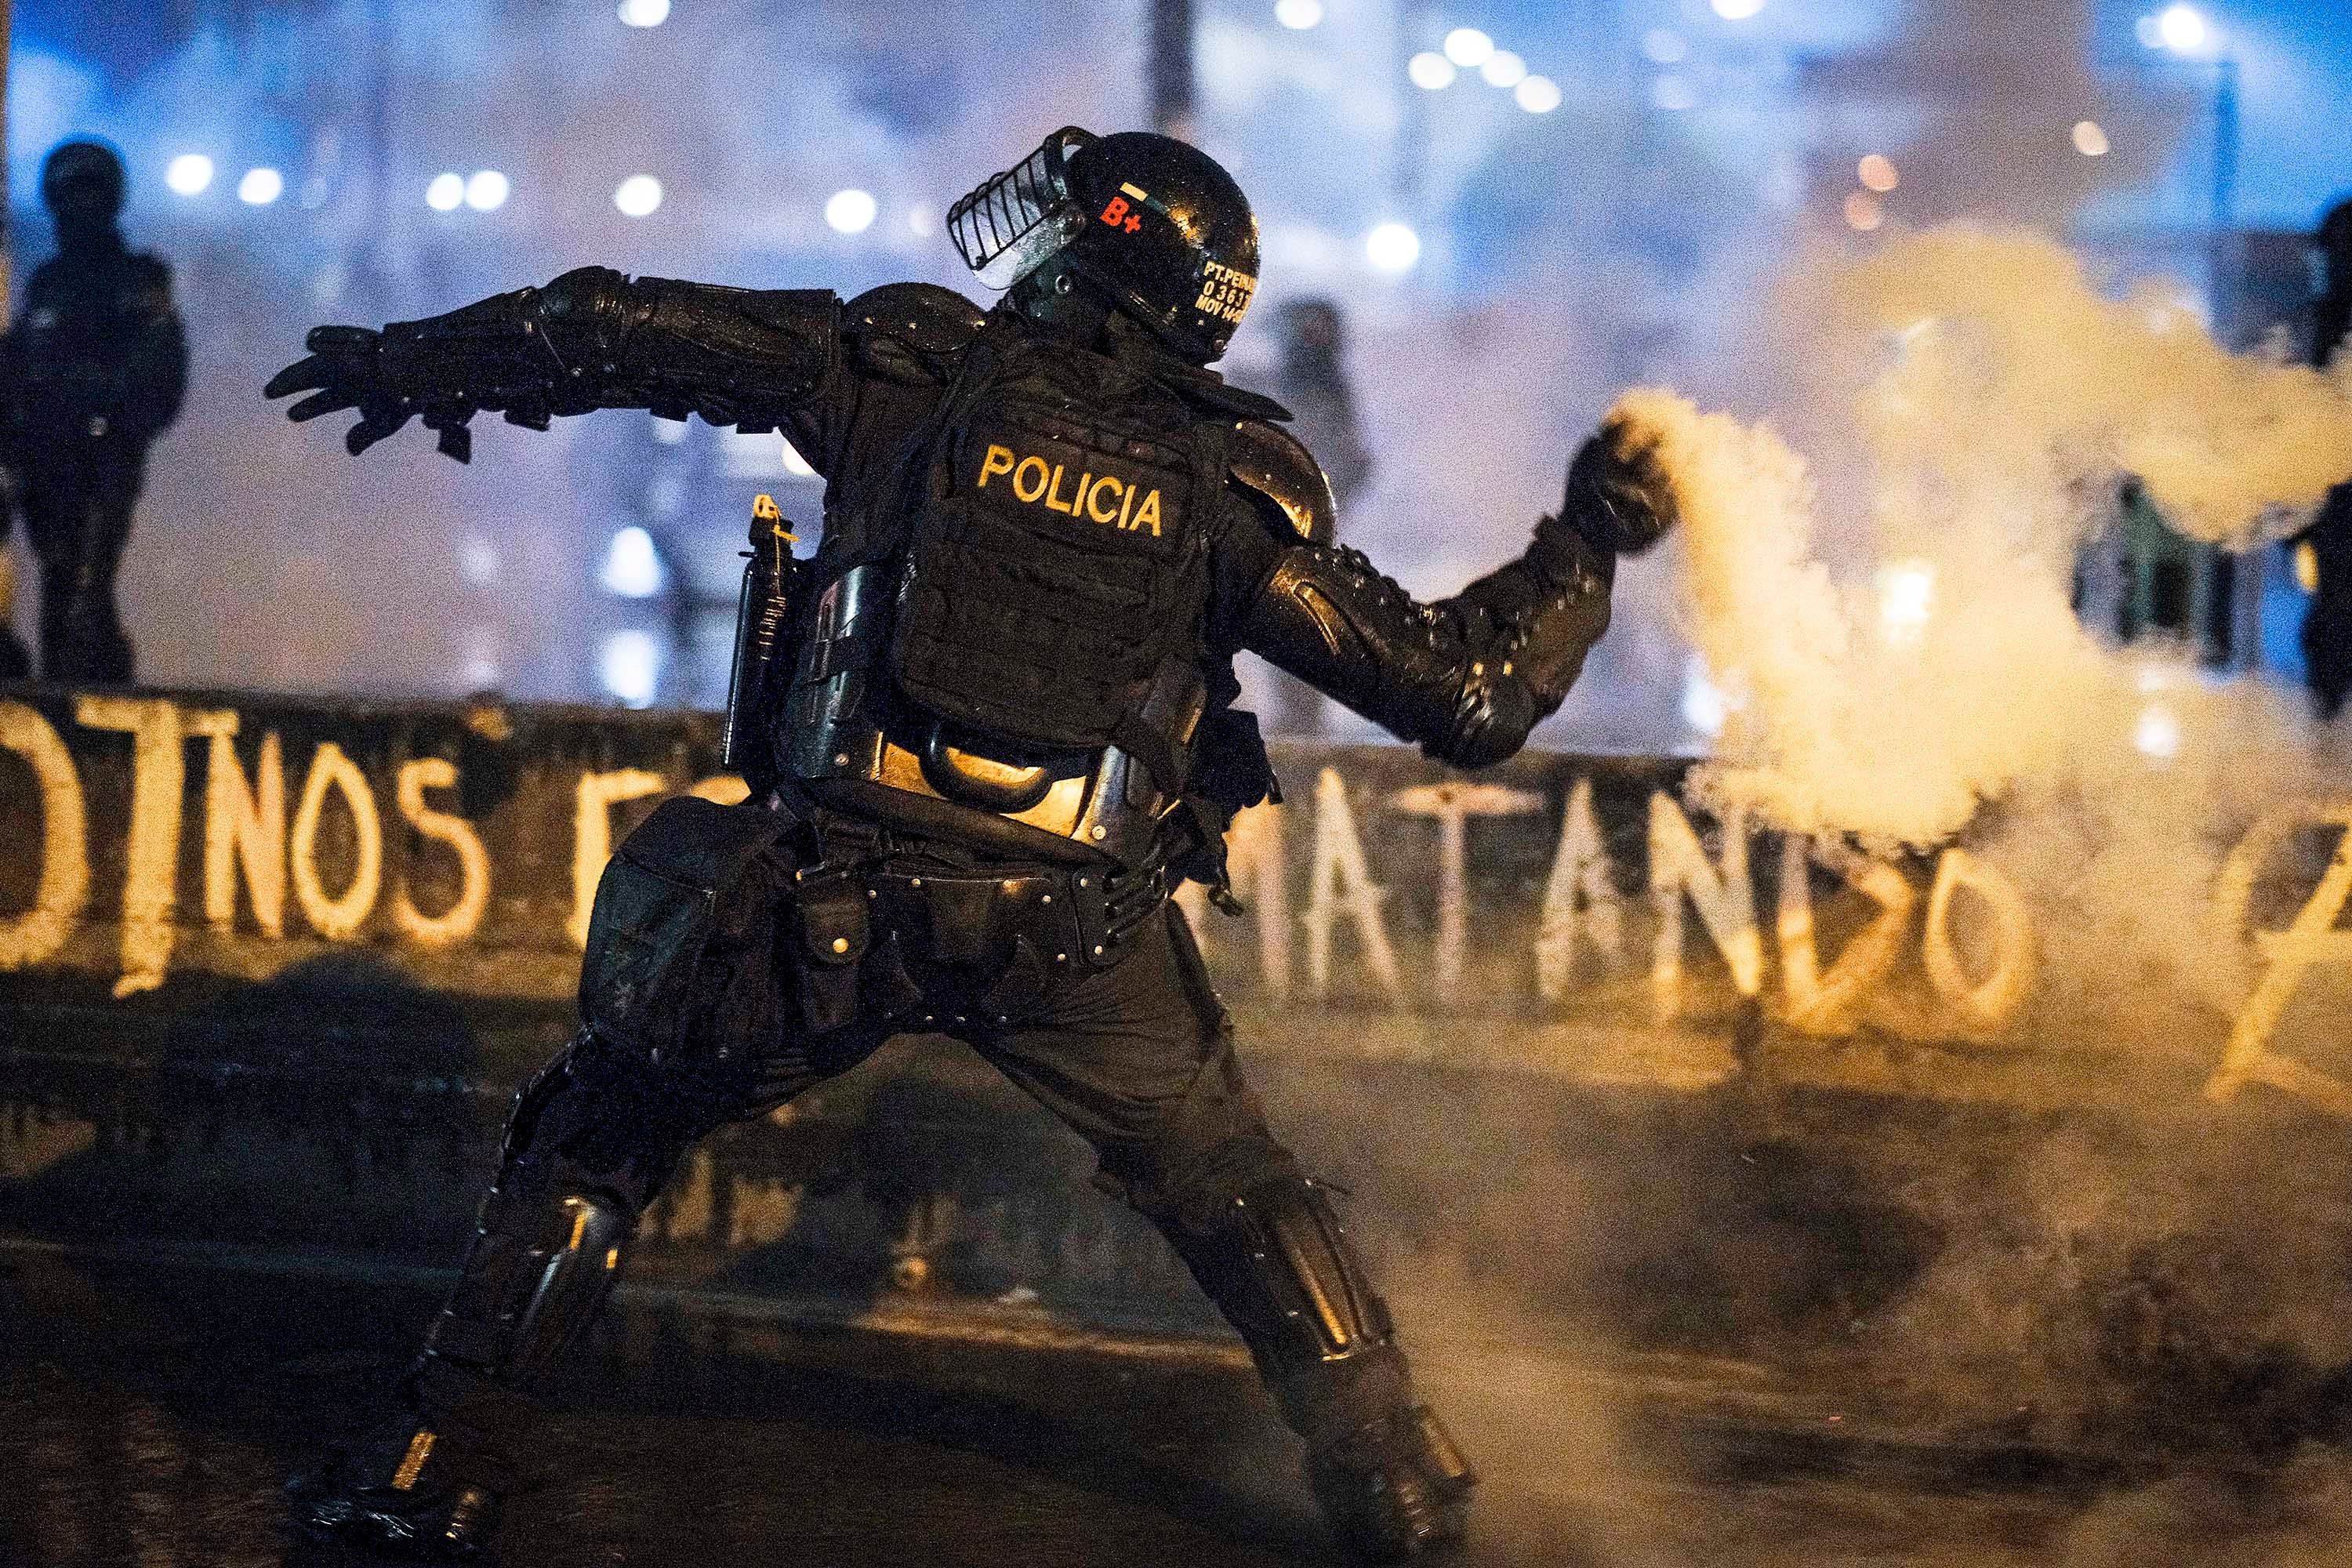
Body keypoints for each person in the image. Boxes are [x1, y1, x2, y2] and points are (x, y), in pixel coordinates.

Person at [266, 125, 1675, 1563]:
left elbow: (621, 328)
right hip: (1074, 936)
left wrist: (416, 364)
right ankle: (1404, 1489)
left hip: (827, 898)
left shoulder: (914, 373)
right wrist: (1587, 540)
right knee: (1238, 1190)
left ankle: (431, 1474)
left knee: (600, 1133)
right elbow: (1466, 692)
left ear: (1095, 254)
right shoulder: (1236, 488)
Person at [0, 139, 188, 683]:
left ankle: (96, 721)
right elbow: (20, 363)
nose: (76, 209)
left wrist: (92, 400)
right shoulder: (49, 283)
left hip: (102, 463)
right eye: (67, 196)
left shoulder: (138, 282)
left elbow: (157, 384)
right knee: (63, 588)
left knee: (83, 597)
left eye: (88, 195)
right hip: (43, 462)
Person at [2296, 196, 2352, 720]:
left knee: (2332, 630)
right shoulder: (2325, 319)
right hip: (2335, 516)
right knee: (2331, 631)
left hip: (2336, 513)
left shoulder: (2328, 319)